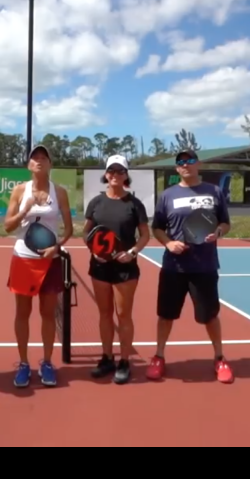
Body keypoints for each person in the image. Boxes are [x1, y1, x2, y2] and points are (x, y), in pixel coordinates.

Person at [148, 149, 234, 384]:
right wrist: (168, 243)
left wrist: (218, 232)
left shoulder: (214, 192)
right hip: (174, 266)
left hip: (204, 266)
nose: (186, 164)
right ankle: (158, 357)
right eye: (181, 162)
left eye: (190, 161)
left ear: (199, 164)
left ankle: (219, 358)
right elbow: (157, 228)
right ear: (177, 169)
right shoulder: (167, 195)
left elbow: (225, 223)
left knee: (210, 317)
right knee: (165, 316)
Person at [3, 144, 74, 388]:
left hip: (50, 261)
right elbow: (8, 226)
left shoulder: (60, 192)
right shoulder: (19, 190)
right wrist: (25, 208)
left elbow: (69, 230)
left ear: (50, 164)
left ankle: (46, 362)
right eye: (35, 158)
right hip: (23, 259)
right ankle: (23, 363)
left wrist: (57, 247)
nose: (39, 161)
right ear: (29, 165)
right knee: (22, 314)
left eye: (44, 157)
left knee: (47, 314)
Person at [83, 155, 150, 384]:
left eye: (120, 171)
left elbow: (145, 235)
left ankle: (123, 361)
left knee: (123, 315)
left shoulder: (134, 204)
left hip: (125, 269)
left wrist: (131, 253)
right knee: (104, 314)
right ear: (106, 174)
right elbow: (86, 233)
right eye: (111, 171)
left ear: (126, 176)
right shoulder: (96, 203)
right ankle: (107, 358)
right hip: (99, 267)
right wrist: (93, 251)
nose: (115, 175)